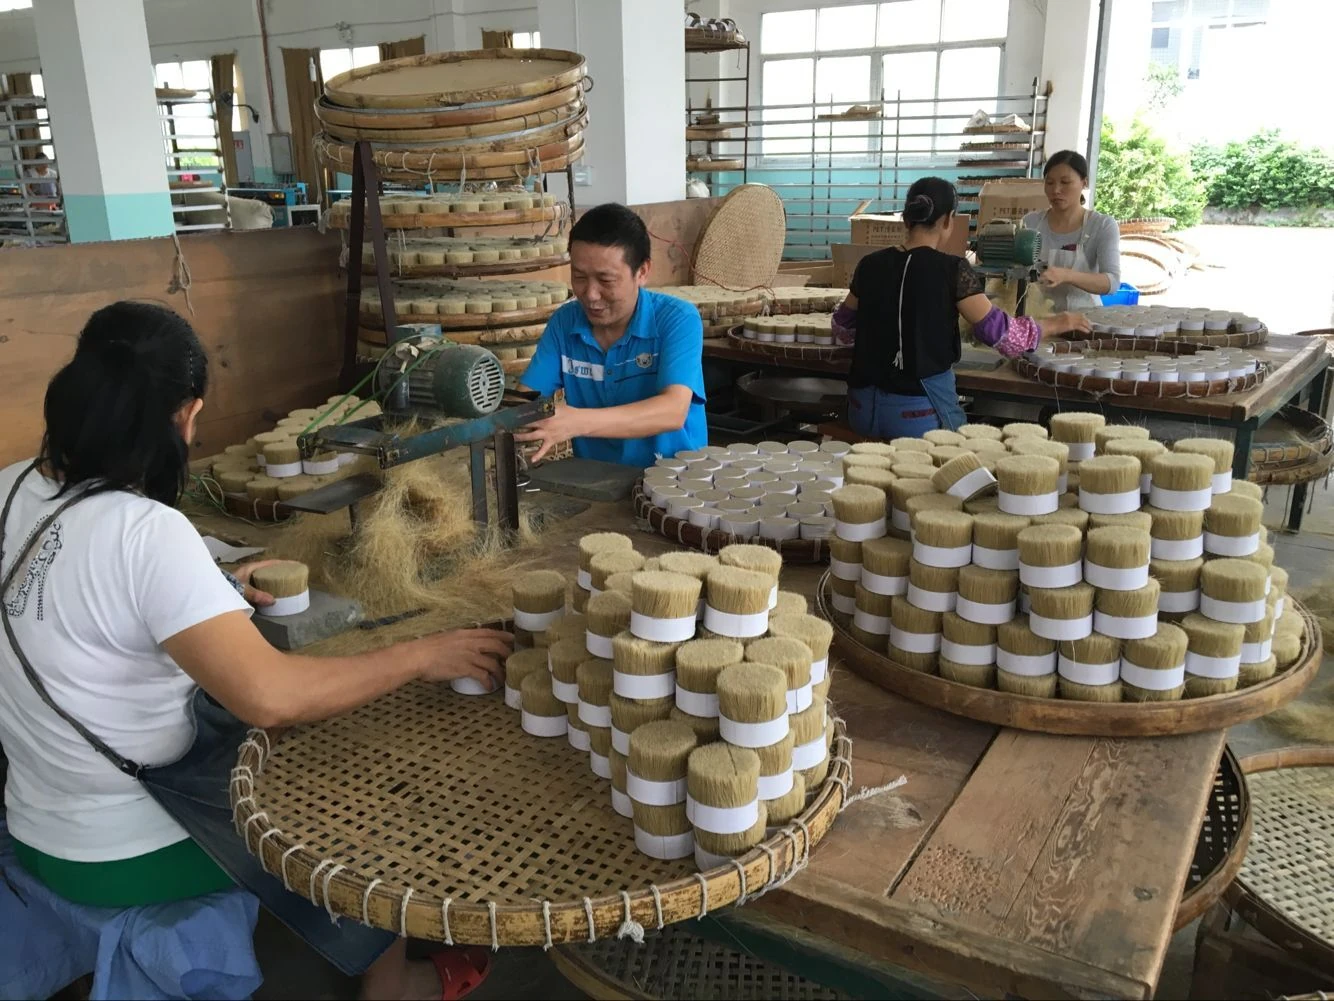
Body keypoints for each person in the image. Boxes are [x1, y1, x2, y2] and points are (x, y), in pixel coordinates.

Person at [0, 301, 510, 1000]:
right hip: (127, 848)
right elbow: (272, 696)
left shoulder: (9, 488)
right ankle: (393, 982)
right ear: (187, 414)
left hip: (35, 820)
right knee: (367, 804)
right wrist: (426, 654)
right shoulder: (145, 532)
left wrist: (201, 589)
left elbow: (81, 604)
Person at [834, 177, 1090, 437]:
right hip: (916, 416)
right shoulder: (951, 270)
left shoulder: (869, 265)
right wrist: (1060, 322)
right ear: (948, 220)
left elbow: (842, 329)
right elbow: (1005, 337)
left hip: (861, 410)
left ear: (906, 219)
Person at [516, 203, 707, 465]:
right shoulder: (565, 323)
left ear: (642, 272)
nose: (590, 294)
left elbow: (672, 411)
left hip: (674, 482)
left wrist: (576, 421)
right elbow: (527, 401)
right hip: (597, 482)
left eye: (606, 281)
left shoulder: (676, 319)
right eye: (579, 277)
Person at [1023, 150, 1122, 312]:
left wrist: (1067, 275)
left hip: (1084, 321)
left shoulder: (1102, 225)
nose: (1056, 190)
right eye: (1049, 183)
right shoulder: (1031, 223)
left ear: (1084, 183)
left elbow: (1111, 282)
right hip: (1039, 321)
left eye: (1065, 182)